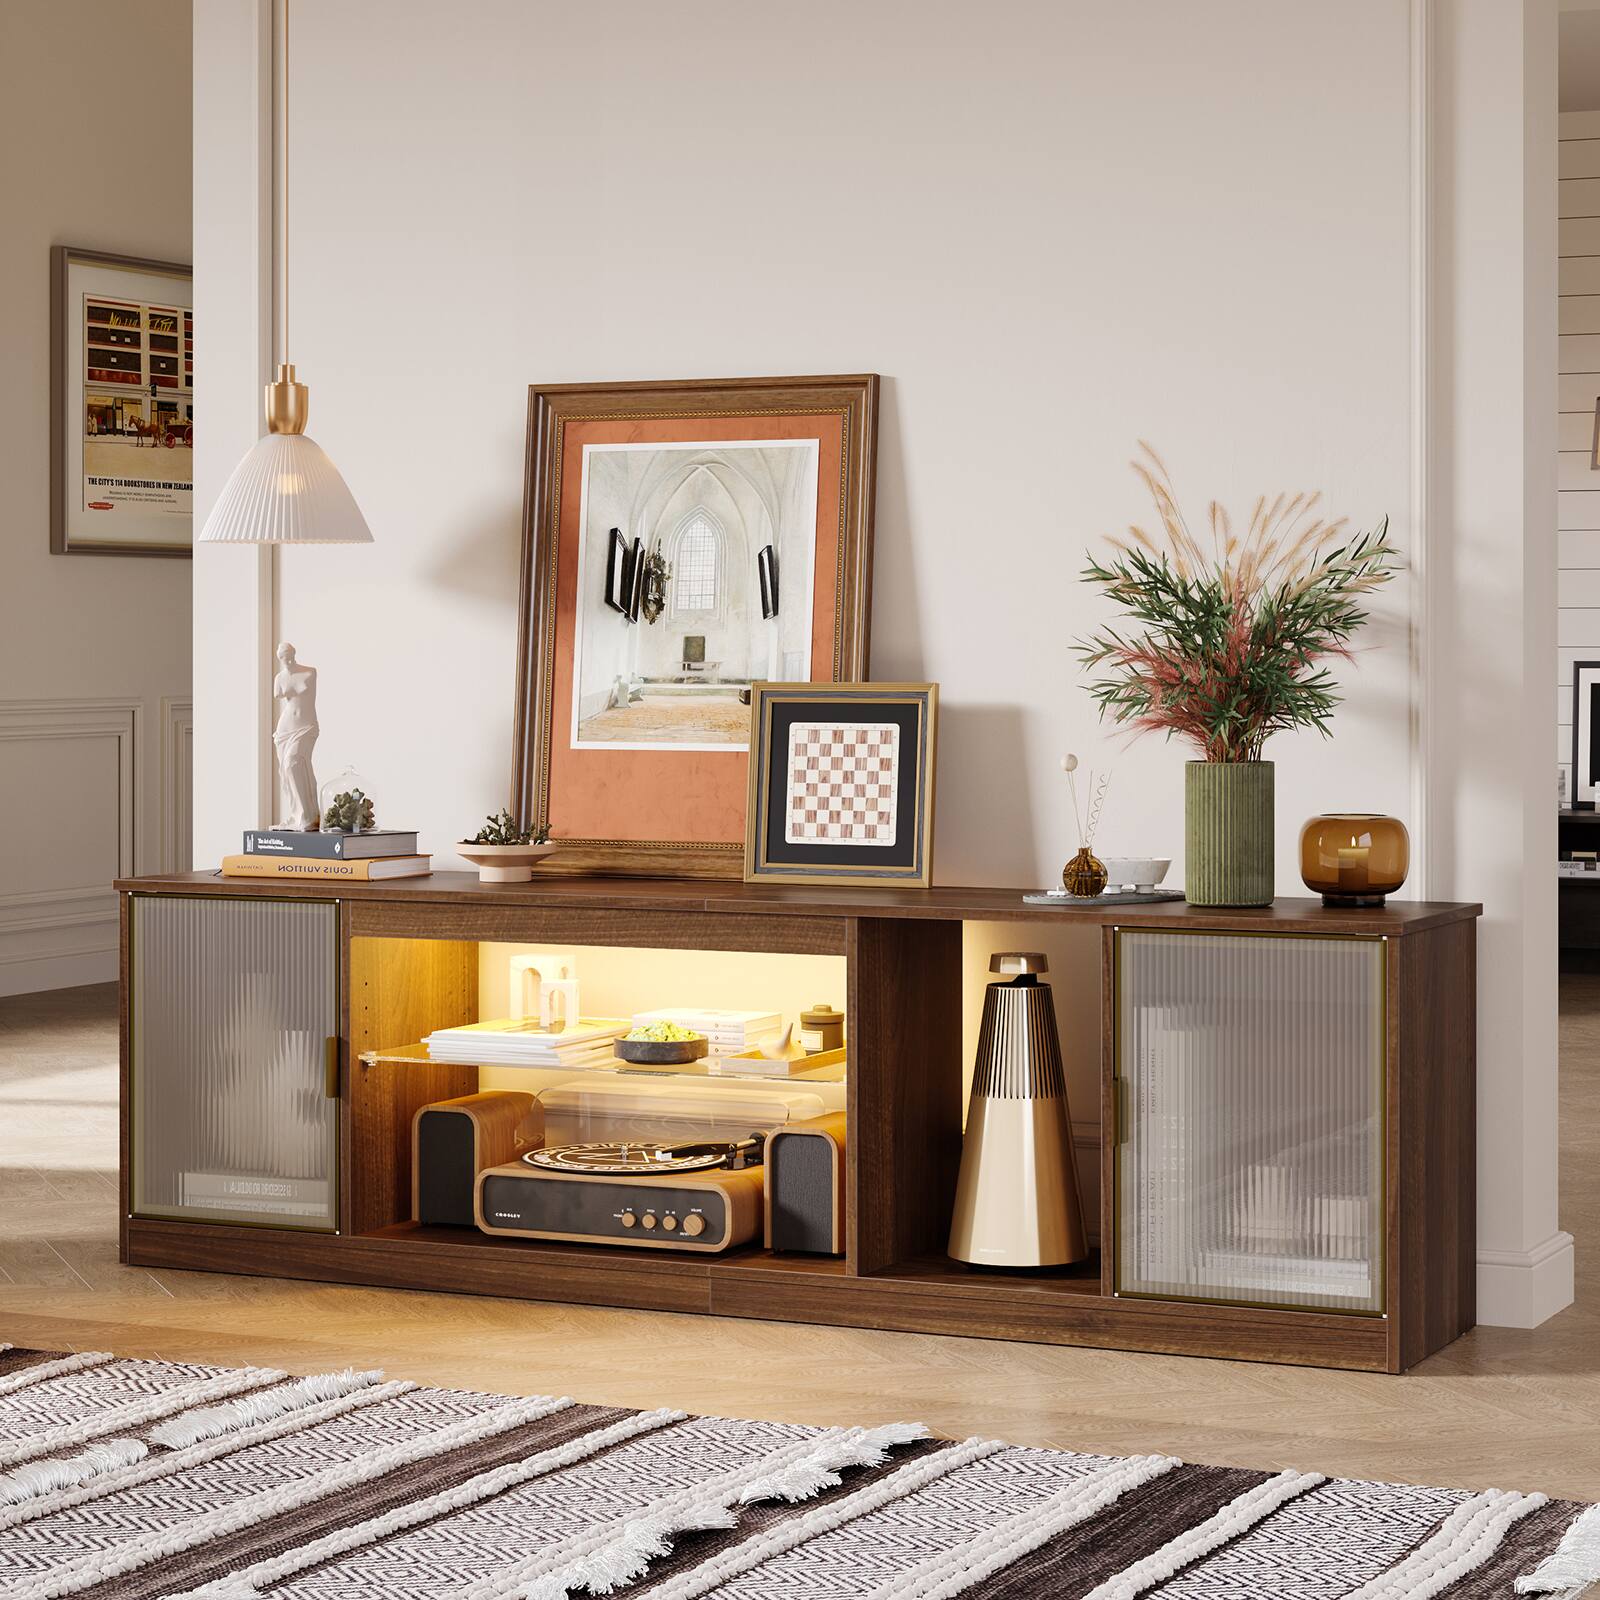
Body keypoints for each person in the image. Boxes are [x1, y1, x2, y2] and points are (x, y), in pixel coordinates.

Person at [272, 643, 319, 830]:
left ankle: (309, 814)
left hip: (306, 726)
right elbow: (279, 695)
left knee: (294, 762)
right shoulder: (279, 679)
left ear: (294, 654)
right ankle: (298, 815)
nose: (288, 660)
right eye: (284, 658)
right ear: (280, 659)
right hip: (285, 728)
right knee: (287, 769)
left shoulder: (310, 672)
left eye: (290, 656)